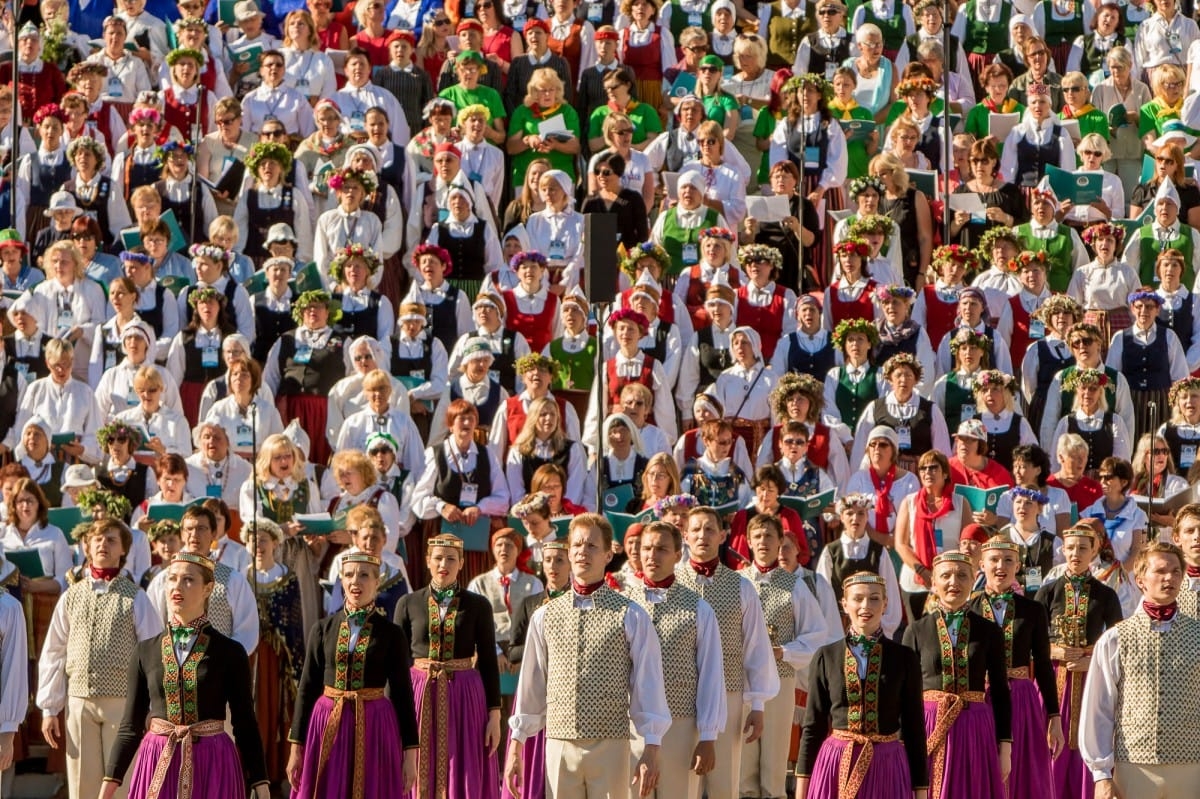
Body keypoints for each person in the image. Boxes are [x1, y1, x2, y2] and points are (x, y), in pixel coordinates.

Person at [505, 514, 672, 798]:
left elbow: (648, 682)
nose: (583, 551)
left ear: (609, 554)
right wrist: (516, 744)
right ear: (569, 552)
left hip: (611, 744)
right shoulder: (544, 616)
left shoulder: (631, 615)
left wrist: (652, 746)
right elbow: (531, 684)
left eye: (592, 545)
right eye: (578, 545)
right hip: (559, 743)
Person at [100, 553, 269, 799]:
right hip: (157, 759)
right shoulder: (145, 650)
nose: (177, 586)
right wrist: (108, 787)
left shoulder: (229, 652)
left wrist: (260, 784)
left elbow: (245, 723)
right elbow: (130, 725)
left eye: (188, 580)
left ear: (208, 588)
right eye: (172, 579)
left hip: (213, 763)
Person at [36, 519, 162, 799]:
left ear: (123, 551)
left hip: (124, 703)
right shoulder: (71, 596)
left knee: (122, 783)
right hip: (80, 702)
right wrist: (49, 707)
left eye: (111, 540)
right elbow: (54, 652)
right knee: (82, 784)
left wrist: (153, 706)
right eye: (98, 539)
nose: (103, 544)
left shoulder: (136, 598)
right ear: (87, 547)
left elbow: (154, 655)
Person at [286, 552, 420, 797]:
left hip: (375, 728)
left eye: (364, 575)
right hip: (327, 724)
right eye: (348, 575)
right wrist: (296, 749)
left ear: (377, 582)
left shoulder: (391, 634)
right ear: (341, 581)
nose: (355, 581)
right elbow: (306, 688)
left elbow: (403, 694)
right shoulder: (322, 629)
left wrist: (410, 755)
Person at [1079, 541, 1200, 799]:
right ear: (1140, 578)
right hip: (1134, 767)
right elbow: (1099, 708)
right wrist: (1101, 774)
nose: (1169, 578)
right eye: (1160, 571)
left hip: (1191, 766)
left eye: (1176, 571)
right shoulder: (1115, 639)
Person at [673, 505, 779, 799]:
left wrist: (757, 704)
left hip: (729, 693)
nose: (702, 536)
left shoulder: (742, 587)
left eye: (709, 529)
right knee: (682, 782)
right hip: (678, 694)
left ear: (723, 535)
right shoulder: (671, 583)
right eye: (695, 529)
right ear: (684, 535)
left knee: (724, 783)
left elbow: (755, 646)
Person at [798, 572, 928, 799]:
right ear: (844, 604)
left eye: (874, 598)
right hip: (836, 764)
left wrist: (921, 791)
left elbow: (914, 728)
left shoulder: (904, 657)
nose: (866, 605)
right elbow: (813, 726)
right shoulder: (826, 656)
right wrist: (801, 791)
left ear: (885, 604)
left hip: (887, 765)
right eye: (858, 599)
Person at [622, 520, 725, 799]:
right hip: (633, 724)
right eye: (647, 548)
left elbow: (711, 674)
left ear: (679, 555)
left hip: (680, 722)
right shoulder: (621, 604)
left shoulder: (699, 609)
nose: (652, 556)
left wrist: (707, 736)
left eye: (661, 549)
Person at [394, 533, 502, 798]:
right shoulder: (408, 603)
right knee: (415, 763)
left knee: (462, 767)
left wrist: (495, 716)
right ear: (428, 561)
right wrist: (392, 712)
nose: (444, 564)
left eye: (451, 558)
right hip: (419, 694)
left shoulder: (478, 605)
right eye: (438, 558)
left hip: (464, 696)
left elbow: (488, 660)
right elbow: (395, 664)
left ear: (462, 563)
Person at [902, 551, 1012, 799]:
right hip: (930, 726)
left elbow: (1000, 691)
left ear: (973, 580)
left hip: (975, 728)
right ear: (933, 583)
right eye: (946, 576)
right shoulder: (916, 630)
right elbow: (904, 697)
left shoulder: (989, 631)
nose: (954, 582)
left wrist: (1005, 748)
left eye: (962, 575)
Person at [737, 513, 831, 799]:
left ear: (780, 543)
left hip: (780, 680)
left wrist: (783, 652)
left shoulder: (795, 586)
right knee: (743, 763)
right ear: (749, 542)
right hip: (740, 681)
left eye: (769, 536)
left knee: (774, 762)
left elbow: (816, 635)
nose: (763, 541)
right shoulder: (735, 583)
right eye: (758, 536)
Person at [969, 538, 1065, 799]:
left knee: (1024, 771)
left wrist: (1054, 717)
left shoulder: (1032, 610)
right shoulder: (969, 610)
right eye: (994, 560)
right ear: (982, 565)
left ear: (1018, 566)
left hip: (1022, 698)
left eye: (1008, 560)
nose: (1001, 566)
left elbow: (1044, 665)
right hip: (983, 700)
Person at [1034, 523, 1124, 799]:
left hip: (1089, 677)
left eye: (1083, 548)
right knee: (1046, 733)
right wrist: (1056, 652)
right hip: (1052, 675)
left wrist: (1092, 661)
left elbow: (1118, 639)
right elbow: (1030, 640)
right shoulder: (1048, 592)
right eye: (1070, 548)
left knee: (1088, 733)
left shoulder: (1106, 594)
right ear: (1062, 549)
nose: (1076, 553)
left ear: (1094, 550)